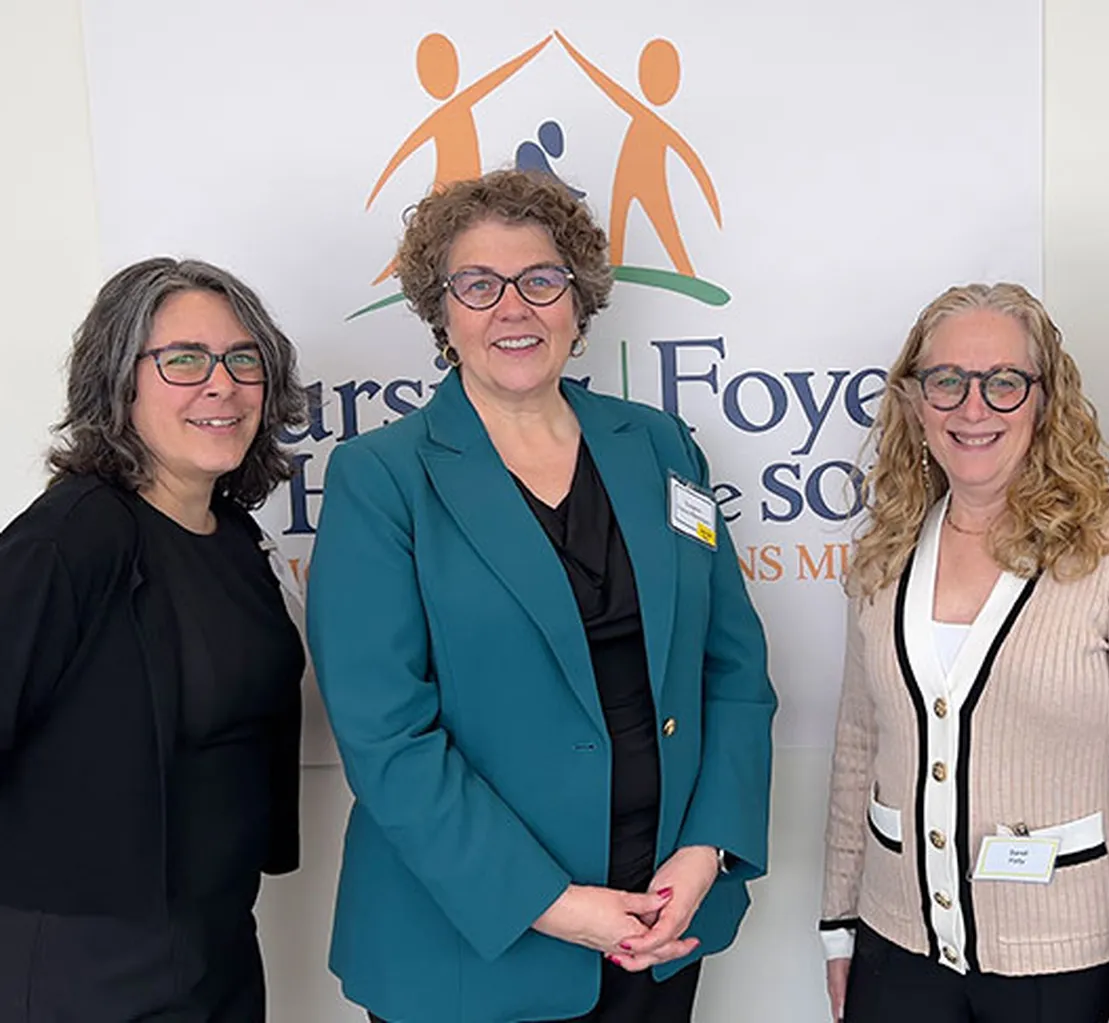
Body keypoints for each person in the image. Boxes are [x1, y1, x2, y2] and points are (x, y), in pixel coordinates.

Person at [307, 168, 776, 1023]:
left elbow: (734, 668)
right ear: (441, 312)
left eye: (540, 280)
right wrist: (556, 905)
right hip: (469, 943)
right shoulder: (382, 479)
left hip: (658, 921)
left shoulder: (663, 446)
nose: (512, 307)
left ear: (579, 302)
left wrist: (707, 850)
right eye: (478, 285)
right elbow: (386, 737)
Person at [820, 282, 1109, 1023]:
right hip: (898, 956)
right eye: (947, 381)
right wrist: (839, 927)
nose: (972, 408)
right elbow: (857, 749)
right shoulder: (886, 553)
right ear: (914, 401)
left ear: (1044, 400)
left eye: (1004, 383)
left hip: (1065, 970)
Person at [0, 257, 307, 1020]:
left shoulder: (233, 534)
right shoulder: (77, 533)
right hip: (88, 961)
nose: (222, 383)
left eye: (244, 359)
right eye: (183, 360)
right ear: (119, 381)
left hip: (217, 944)